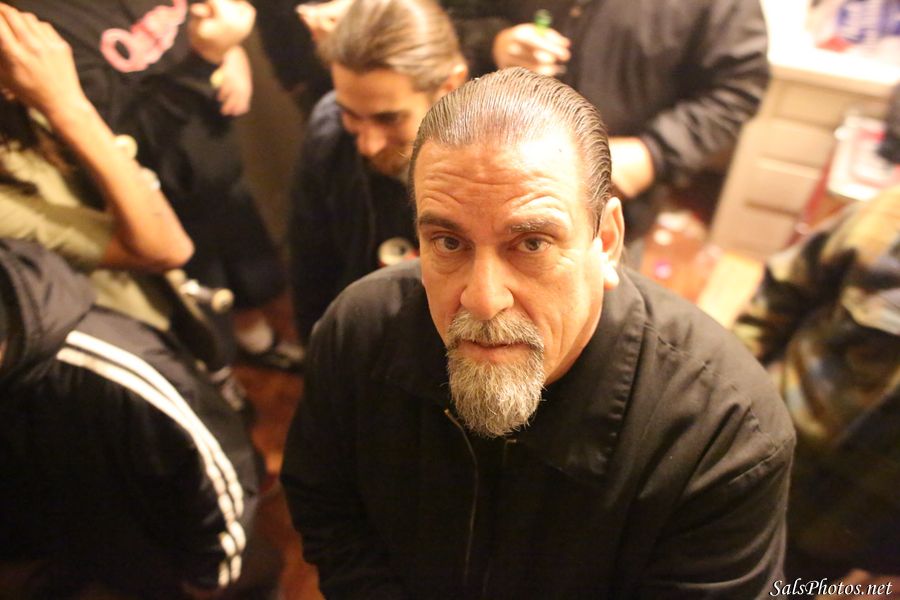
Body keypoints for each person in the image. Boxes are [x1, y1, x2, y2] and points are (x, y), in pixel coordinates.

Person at [281, 68, 795, 598]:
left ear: (607, 241)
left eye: (531, 244)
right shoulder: (359, 332)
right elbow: (328, 510)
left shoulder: (722, 435)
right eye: (449, 243)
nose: (483, 299)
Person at [16, 0, 304, 373]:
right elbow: (123, 136)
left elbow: (204, 16)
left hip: (216, 156)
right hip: (159, 199)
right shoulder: (36, 28)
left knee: (253, 270)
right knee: (205, 313)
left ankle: (257, 338)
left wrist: (230, 53)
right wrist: (206, 59)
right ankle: (224, 371)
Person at [0, 238, 260, 599]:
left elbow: (218, 471)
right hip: (82, 549)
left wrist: (208, 578)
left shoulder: (116, 371)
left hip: (167, 563)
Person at [488, 0, 770, 255]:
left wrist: (652, 152)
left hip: (612, 207)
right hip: (491, 179)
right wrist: (494, 41)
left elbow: (741, 85)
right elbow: (470, 16)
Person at [733, 187, 900, 581]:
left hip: (849, 532)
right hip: (751, 460)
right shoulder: (887, 217)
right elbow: (783, 290)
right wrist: (723, 394)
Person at [289, 0, 467, 343]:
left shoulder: (494, 164)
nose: (368, 146)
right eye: (350, 114)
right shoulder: (328, 134)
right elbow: (311, 265)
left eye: (389, 118)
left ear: (448, 86)